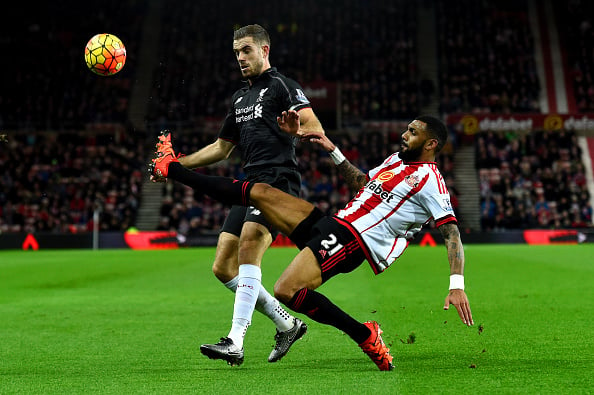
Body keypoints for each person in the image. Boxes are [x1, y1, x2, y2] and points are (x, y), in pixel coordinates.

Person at [149, 114, 474, 371]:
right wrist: (331, 150)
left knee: (285, 289)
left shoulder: (431, 181)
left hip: (356, 241)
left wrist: (456, 283)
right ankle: (174, 169)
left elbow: (452, 233)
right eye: (407, 129)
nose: (405, 134)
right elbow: (363, 183)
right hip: (335, 224)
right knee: (260, 193)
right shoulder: (394, 161)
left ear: (431, 143)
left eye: (413, 132)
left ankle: (365, 335)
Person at [154, 24, 326, 365]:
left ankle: (235, 340)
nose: (240, 58)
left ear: (264, 50)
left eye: (246, 50)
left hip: (278, 181)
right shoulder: (240, 97)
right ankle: (286, 323)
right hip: (249, 185)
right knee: (222, 265)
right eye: (236, 53)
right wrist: (174, 164)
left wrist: (297, 131)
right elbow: (221, 148)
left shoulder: (282, 86)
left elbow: (315, 127)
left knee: (249, 246)